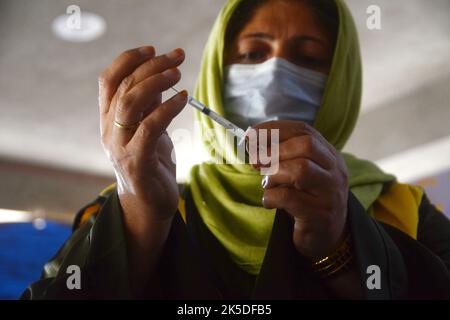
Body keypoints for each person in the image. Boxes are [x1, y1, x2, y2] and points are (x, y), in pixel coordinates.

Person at [22, 0, 450, 299]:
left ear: (341, 81)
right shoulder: (139, 197)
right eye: (252, 52)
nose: (275, 71)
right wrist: (141, 217)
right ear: (217, 72)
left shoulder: (402, 206)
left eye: (308, 57)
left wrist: (340, 246)